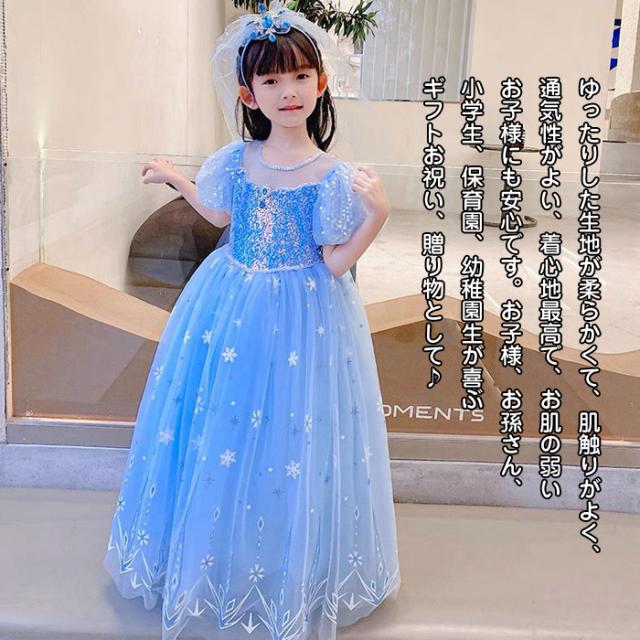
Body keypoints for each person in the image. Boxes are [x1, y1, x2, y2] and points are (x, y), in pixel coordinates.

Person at [102, 2, 400, 639]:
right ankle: (217, 557)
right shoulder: (236, 159)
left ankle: (285, 564)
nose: (287, 92)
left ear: (321, 82)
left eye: (299, 77)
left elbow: (335, 262)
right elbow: (218, 216)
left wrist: (375, 215)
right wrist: (176, 178)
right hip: (230, 302)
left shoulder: (334, 177)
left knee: (293, 431)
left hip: (305, 313)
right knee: (224, 423)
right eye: (271, 80)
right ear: (249, 93)